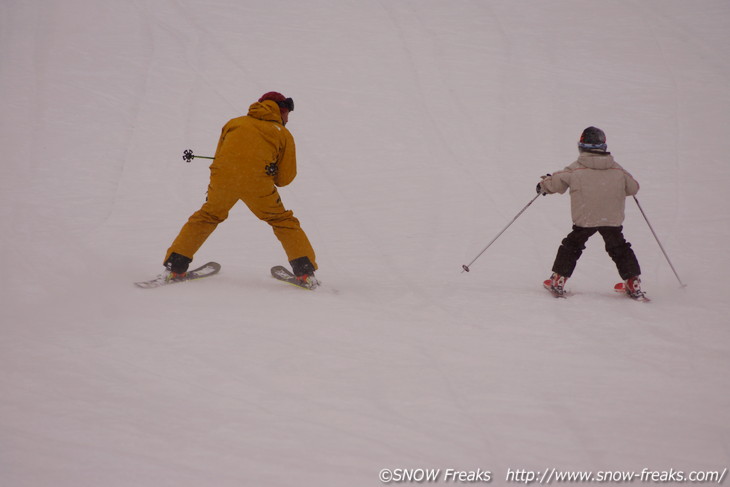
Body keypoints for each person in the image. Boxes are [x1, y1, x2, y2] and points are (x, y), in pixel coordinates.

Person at [162, 91, 319, 289]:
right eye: (287, 113)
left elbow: (220, 155)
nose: (288, 118)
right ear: (282, 110)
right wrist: (269, 172)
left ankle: (175, 267)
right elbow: (285, 179)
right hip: (257, 184)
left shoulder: (234, 123)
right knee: (282, 221)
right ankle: (305, 273)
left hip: (223, 180)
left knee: (207, 216)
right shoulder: (282, 133)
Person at [537, 126, 645, 299]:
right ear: (603, 146)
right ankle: (633, 281)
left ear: (582, 146)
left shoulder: (576, 168)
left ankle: (559, 279)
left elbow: (557, 182)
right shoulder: (617, 169)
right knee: (619, 247)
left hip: (585, 218)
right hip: (611, 219)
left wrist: (543, 185)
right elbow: (633, 188)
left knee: (572, 246)